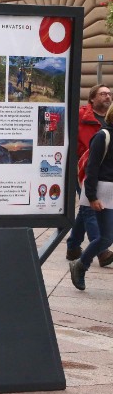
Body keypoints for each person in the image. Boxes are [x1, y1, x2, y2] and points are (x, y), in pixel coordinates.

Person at [67, 84, 113, 266]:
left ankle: (73, 246)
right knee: (91, 209)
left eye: (109, 94)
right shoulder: (81, 115)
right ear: (92, 98)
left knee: (85, 209)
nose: (107, 97)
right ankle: (102, 251)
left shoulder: (109, 120)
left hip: (104, 173)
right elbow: (68, 136)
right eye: (103, 94)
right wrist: (80, 154)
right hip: (84, 168)